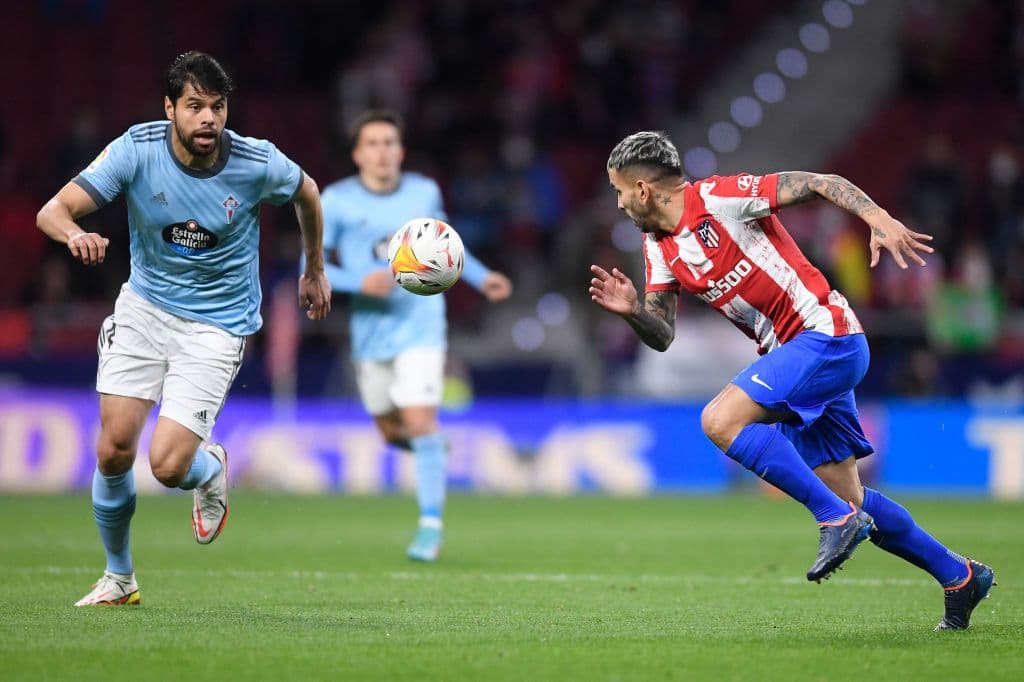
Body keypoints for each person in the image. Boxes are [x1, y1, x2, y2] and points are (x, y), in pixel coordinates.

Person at [589, 131, 995, 631]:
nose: (618, 201)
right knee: (851, 495)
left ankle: (833, 519)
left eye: (619, 190)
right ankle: (960, 576)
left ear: (643, 190)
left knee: (719, 420)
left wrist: (879, 219)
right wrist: (633, 312)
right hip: (798, 355)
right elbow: (663, 333)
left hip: (826, 335)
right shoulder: (657, 247)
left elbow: (820, 183)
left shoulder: (719, 198)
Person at [36, 52, 331, 606]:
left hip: (217, 325)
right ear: (169, 107)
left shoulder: (255, 162)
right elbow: (53, 211)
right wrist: (73, 234)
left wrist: (313, 267)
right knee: (113, 450)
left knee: (168, 466)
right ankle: (119, 578)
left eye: (218, 107)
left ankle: (208, 468)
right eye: (195, 106)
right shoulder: (136, 150)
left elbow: (308, 192)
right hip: (145, 308)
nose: (208, 119)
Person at [319, 109, 512, 561]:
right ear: (357, 153)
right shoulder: (336, 200)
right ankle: (430, 451)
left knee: (421, 422)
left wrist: (481, 278)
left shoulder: (423, 192)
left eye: (390, 142)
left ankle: (430, 527)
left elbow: (448, 246)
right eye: (373, 143)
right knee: (391, 431)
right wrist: (355, 283)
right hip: (370, 331)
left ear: (401, 151)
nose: (382, 151)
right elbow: (317, 265)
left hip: (421, 326)